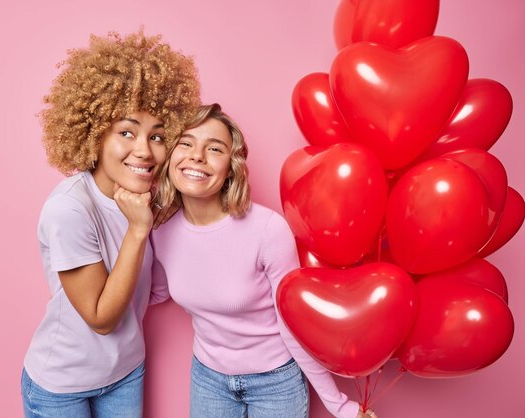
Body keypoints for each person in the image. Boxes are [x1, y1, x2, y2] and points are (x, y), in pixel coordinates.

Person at [151, 104, 378, 418]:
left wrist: (341, 407)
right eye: (186, 143)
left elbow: (293, 325)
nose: (197, 156)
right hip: (208, 379)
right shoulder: (158, 231)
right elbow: (157, 292)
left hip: (275, 382)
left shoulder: (267, 230)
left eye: (214, 148)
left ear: (231, 167)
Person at [21, 31, 200, 418]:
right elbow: (101, 319)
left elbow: (152, 291)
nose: (144, 150)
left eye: (157, 136)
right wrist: (139, 230)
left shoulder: (144, 201)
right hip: (63, 386)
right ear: (95, 132)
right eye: (127, 132)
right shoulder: (69, 209)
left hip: (126, 371)